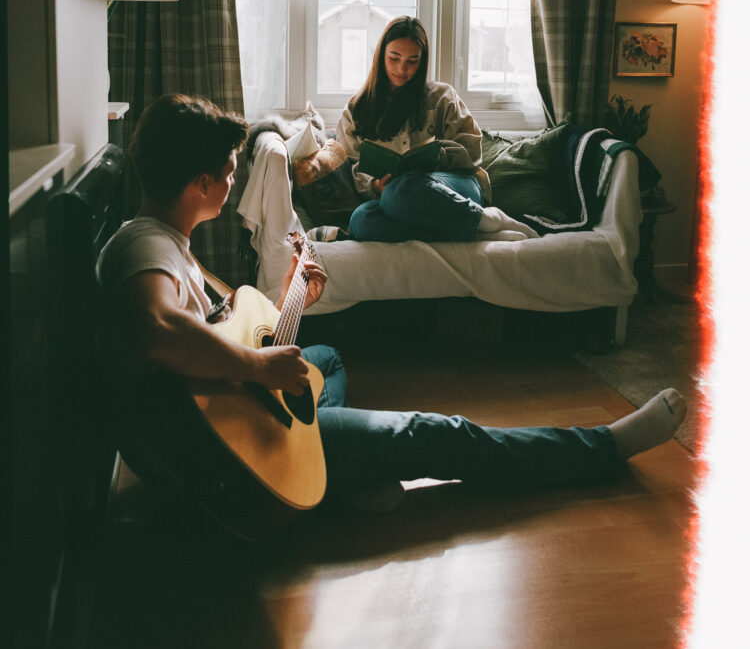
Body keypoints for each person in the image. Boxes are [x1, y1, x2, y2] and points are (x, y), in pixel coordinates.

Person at [97, 93, 687, 517]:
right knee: (442, 433)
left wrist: (292, 296)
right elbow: (158, 329)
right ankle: (603, 448)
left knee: (323, 358)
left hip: (221, 420)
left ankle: (339, 471)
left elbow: (213, 337)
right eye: (228, 173)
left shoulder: (162, 241)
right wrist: (257, 367)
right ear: (200, 183)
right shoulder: (144, 245)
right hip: (222, 459)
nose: (232, 185)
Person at [336, 16, 539, 243]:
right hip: (397, 199)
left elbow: (471, 151)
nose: (402, 68)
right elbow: (352, 166)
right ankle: (479, 230)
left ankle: (490, 219)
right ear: (380, 55)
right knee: (362, 220)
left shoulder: (442, 97)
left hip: (454, 187)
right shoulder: (356, 110)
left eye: (413, 60)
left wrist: (436, 156)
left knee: (402, 189)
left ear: (422, 61)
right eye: (394, 58)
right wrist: (374, 185)